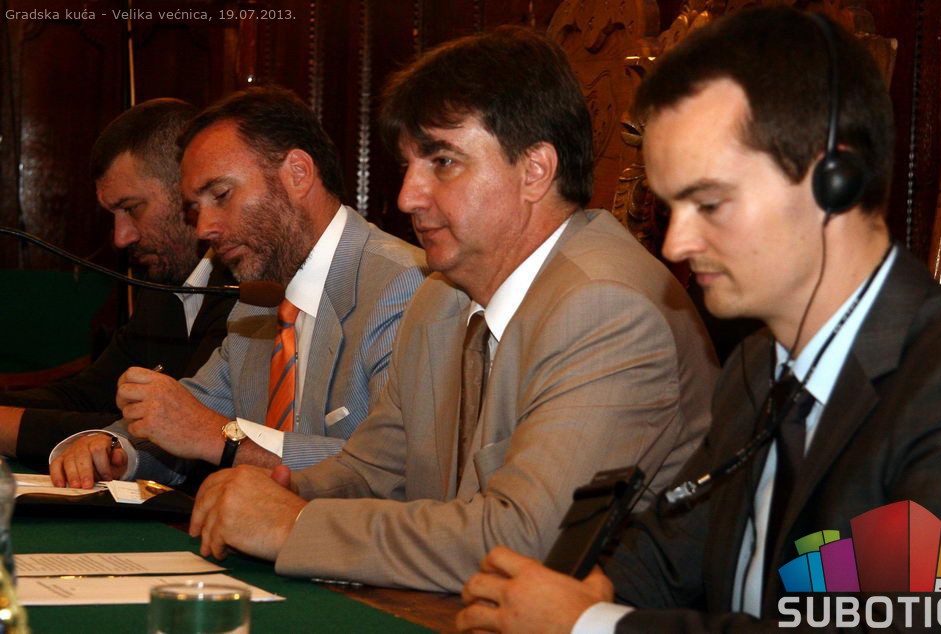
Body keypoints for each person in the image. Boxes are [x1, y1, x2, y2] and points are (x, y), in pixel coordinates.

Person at [457, 8, 941, 632]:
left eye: (710, 202)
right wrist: (573, 596)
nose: (676, 243)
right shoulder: (758, 365)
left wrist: (587, 626)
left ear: (836, 179)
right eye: (673, 207)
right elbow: (664, 557)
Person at [185, 26, 718, 594]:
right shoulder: (441, 295)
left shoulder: (608, 308)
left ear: (535, 169)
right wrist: (276, 490)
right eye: (409, 165)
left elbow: (524, 542)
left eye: (442, 161)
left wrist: (292, 525)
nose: (408, 196)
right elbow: (373, 472)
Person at [49, 87, 426, 488]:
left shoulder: (403, 285)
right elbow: (190, 411)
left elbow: (396, 472)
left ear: (297, 174)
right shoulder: (259, 299)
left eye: (221, 195)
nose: (204, 228)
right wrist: (115, 449)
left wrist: (220, 438)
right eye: (195, 208)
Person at [0, 99, 236, 469]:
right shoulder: (163, 288)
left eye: (131, 208)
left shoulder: (245, 289)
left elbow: (171, 428)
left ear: (188, 187)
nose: (121, 237)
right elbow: (88, 395)